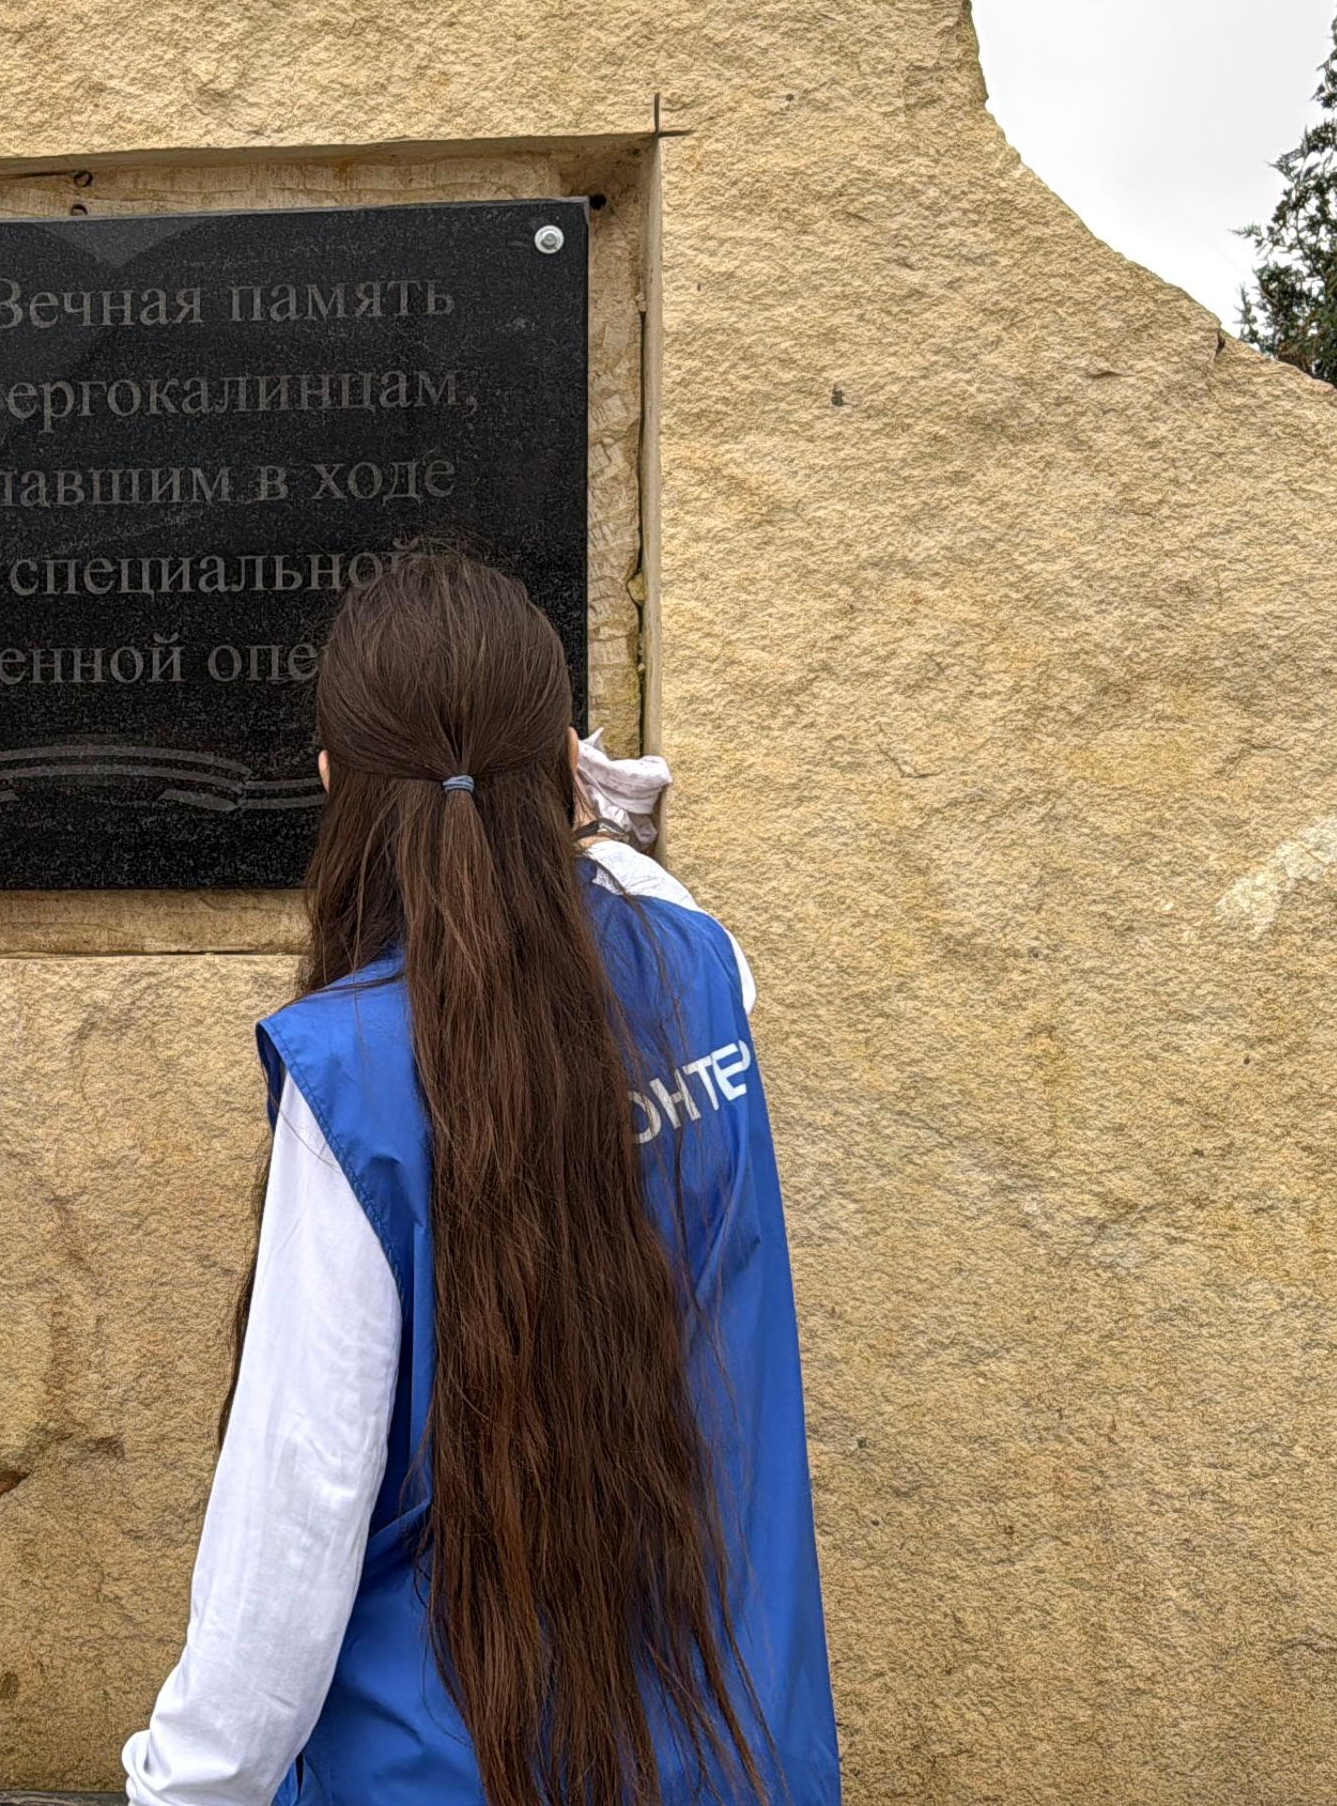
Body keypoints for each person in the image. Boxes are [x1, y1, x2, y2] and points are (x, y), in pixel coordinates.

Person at [123, 552, 839, 1806]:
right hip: (741, 1754)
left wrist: (182, 1787)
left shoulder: (356, 1080)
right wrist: (600, 828)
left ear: (334, 781)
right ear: (568, 765)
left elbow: (295, 1513)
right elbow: (630, 894)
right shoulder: (704, 973)